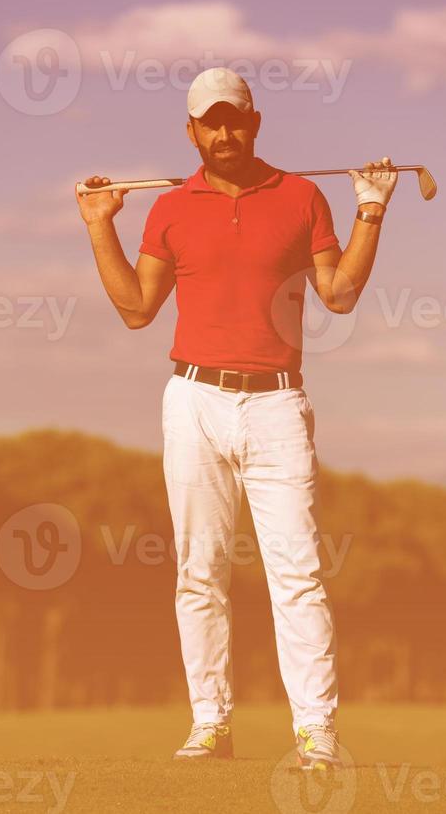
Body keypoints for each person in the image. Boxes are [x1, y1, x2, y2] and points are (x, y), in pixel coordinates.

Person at [76, 67, 397, 769]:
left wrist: (370, 210)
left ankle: (316, 731)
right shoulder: (170, 208)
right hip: (193, 401)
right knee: (199, 572)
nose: (224, 133)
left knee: (298, 572)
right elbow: (137, 309)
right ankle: (210, 724)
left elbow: (338, 294)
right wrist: (100, 228)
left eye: (235, 120)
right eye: (209, 122)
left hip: (278, 403)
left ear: (255, 123)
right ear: (191, 131)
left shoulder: (303, 195)